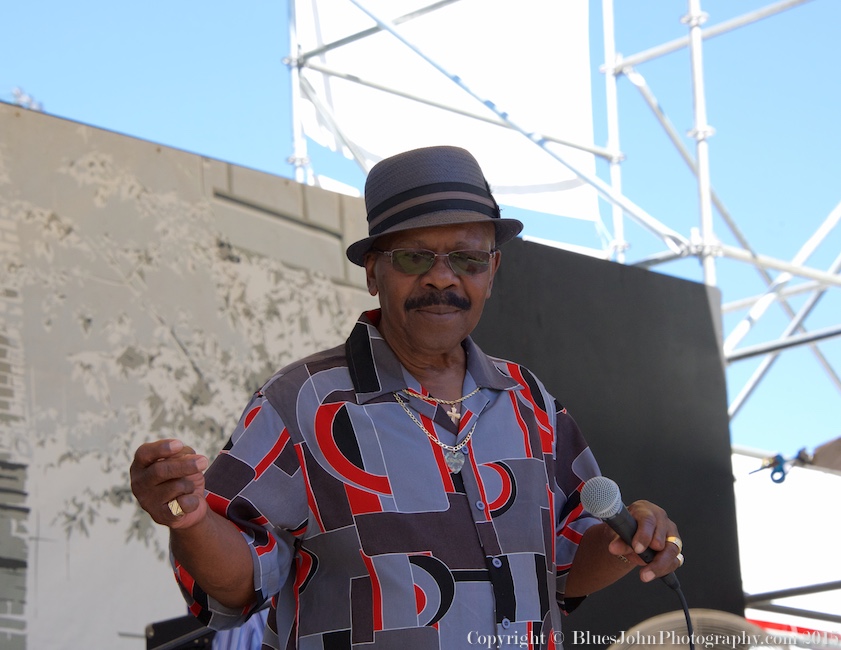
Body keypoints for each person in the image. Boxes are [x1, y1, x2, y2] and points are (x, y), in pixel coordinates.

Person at [131, 145, 684, 649]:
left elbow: (567, 567)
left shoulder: (530, 402)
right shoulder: (302, 401)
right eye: (415, 257)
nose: (442, 279)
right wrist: (190, 519)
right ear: (374, 272)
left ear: (492, 271)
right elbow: (238, 586)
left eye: (468, 259)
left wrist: (632, 535)